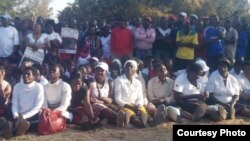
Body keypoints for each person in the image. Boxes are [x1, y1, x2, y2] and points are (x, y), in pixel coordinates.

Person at [8, 67, 44, 138]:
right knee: (9, 108)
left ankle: (13, 129)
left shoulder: (38, 87)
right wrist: (16, 115)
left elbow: (37, 107)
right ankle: (11, 128)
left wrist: (24, 117)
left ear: (34, 77)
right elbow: (15, 104)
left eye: (28, 74)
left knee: (30, 123)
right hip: (18, 116)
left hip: (31, 116)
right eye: (24, 74)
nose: (25, 75)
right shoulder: (17, 86)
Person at [114, 60, 147, 128]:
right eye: (127, 66)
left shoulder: (138, 82)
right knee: (133, 117)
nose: (129, 68)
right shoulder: (119, 80)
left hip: (135, 105)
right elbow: (117, 99)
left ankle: (147, 121)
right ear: (124, 68)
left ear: (136, 69)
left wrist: (138, 105)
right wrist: (130, 107)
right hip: (124, 105)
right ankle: (139, 123)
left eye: (131, 66)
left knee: (143, 112)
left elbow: (140, 97)